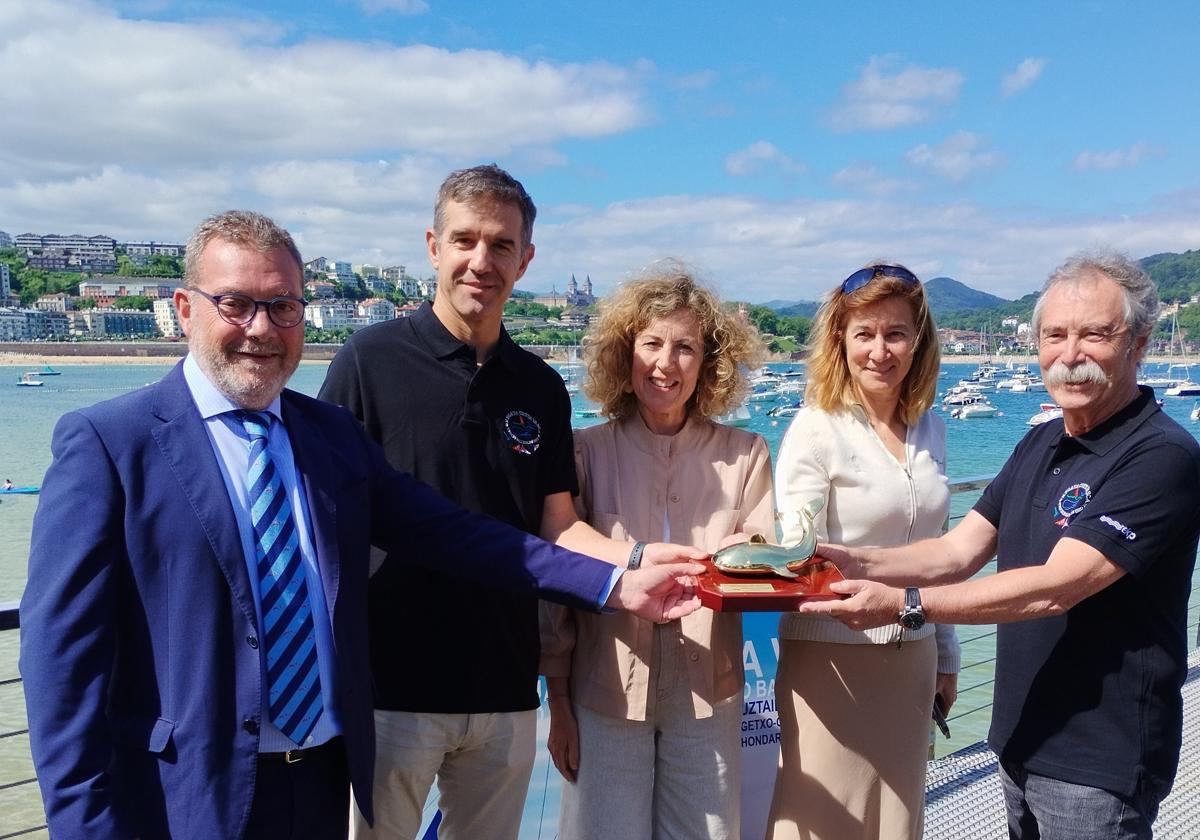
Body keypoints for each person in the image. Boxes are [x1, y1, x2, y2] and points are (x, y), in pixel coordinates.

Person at [18, 210, 705, 840]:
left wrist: (615, 583)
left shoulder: (330, 438)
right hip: (185, 795)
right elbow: (61, 670)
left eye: (283, 306)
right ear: (183, 308)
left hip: (320, 782)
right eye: (236, 303)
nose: (261, 328)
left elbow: (461, 536)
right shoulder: (110, 444)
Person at [319, 165, 705, 840]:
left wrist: (637, 562)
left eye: (501, 245)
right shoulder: (367, 361)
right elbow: (321, 515)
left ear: (525, 260)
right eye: (464, 240)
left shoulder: (540, 388)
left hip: (505, 686)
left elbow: (560, 527)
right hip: (389, 685)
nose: (480, 261)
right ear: (433, 247)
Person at [800, 252, 1200, 839]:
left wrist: (905, 606)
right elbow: (956, 551)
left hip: (1100, 763)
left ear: (1138, 344)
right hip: (1019, 741)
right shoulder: (1040, 441)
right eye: (1054, 335)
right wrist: (850, 561)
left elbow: (1056, 588)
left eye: (1094, 334)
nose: (1070, 354)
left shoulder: (1161, 455)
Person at [539, 265, 775, 839]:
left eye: (685, 347)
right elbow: (558, 593)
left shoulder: (747, 454)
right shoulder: (585, 453)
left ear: (709, 362)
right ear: (626, 353)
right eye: (652, 343)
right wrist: (561, 701)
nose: (666, 364)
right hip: (604, 693)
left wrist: (747, 553)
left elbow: (766, 559)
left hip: (710, 696)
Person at [765, 263, 960, 840]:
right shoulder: (815, 427)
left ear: (918, 341)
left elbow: (939, 553)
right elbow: (797, 548)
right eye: (864, 334)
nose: (880, 350)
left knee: (898, 822)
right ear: (840, 342)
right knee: (825, 821)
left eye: (896, 333)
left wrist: (946, 650)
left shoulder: (932, 428)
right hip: (833, 661)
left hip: (914, 657)